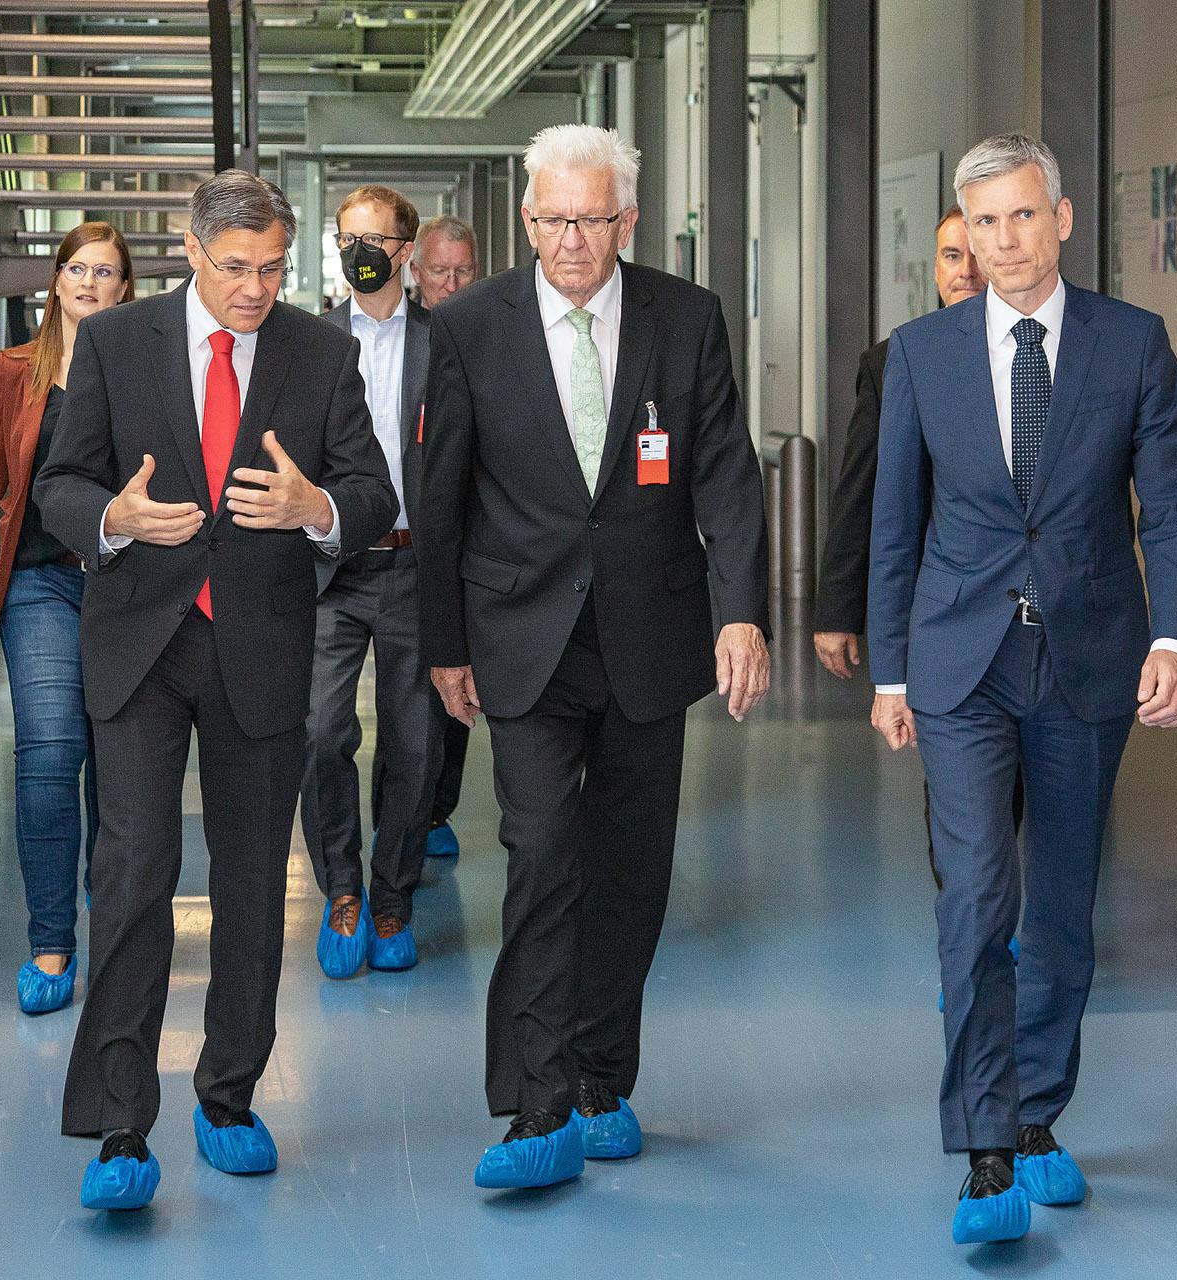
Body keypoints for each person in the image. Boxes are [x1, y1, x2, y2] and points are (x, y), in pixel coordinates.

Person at [33, 170, 397, 1212]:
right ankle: (116, 1121)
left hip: (262, 645)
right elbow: (60, 481)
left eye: (274, 267)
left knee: (248, 883)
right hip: (144, 642)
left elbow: (371, 493)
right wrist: (115, 517)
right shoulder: (115, 343)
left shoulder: (320, 353)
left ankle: (230, 1094)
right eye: (235, 268)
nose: (254, 288)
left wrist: (314, 502)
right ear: (192, 252)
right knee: (138, 868)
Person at [868, 134, 1177, 1246]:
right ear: (961, 234)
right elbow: (895, 526)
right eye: (984, 224)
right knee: (975, 895)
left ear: (1063, 218)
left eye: (1024, 217)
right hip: (961, 663)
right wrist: (890, 668)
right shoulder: (921, 353)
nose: (1004, 243)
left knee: (1060, 909)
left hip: (1088, 660)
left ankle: (1037, 1112)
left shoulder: (1132, 343)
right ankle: (985, 1149)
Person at [419, 124, 771, 1191]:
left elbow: (726, 474)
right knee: (539, 856)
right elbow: (443, 494)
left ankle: (602, 1078)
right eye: (554, 219)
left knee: (632, 867)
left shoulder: (686, 318)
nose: (573, 239)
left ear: (628, 218)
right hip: (519, 634)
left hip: (648, 636)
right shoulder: (472, 325)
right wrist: (443, 642)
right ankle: (535, 1104)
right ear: (527, 220)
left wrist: (742, 611)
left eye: (594, 218)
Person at [0, 223, 132, 1016]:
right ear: (54, 280)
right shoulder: (17, 369)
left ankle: (112, 918)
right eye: (76, 268)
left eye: (104, 272)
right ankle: (52, 942)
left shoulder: (142, 368)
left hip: (125, 590)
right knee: (51, 752)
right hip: (41, 582)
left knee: (119, 770)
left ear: (123, 289)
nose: (87, 283)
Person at [816, 208, 1018, 891]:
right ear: (934, 268)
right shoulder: (896, 360)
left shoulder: (1049, 355)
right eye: (949, 257)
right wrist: (838, 609)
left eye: (975, 255)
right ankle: (971, 931)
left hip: (1032, 611)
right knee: (959, 788)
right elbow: (865, 492)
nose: (965, 271)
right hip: (945, 611)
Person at [303, 185, 441, 978]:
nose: (360, 251)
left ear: (404, 251)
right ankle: (342, 890)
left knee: (414, 745)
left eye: (374, 238)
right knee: (321, 731)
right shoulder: (309, 341)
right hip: (332, 565)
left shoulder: (442, 341)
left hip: (418, 564)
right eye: (346, 236)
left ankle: (392, 898)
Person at [410, 215, 482, 860]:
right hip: (389, 535)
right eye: (441, 272)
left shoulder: (494, 337)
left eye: (464, 272)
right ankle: (398, 811)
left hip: (462, 539)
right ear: (415, 273)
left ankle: (434, 810)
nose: (453, 284)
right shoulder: (400, 339)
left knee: (454, 678)